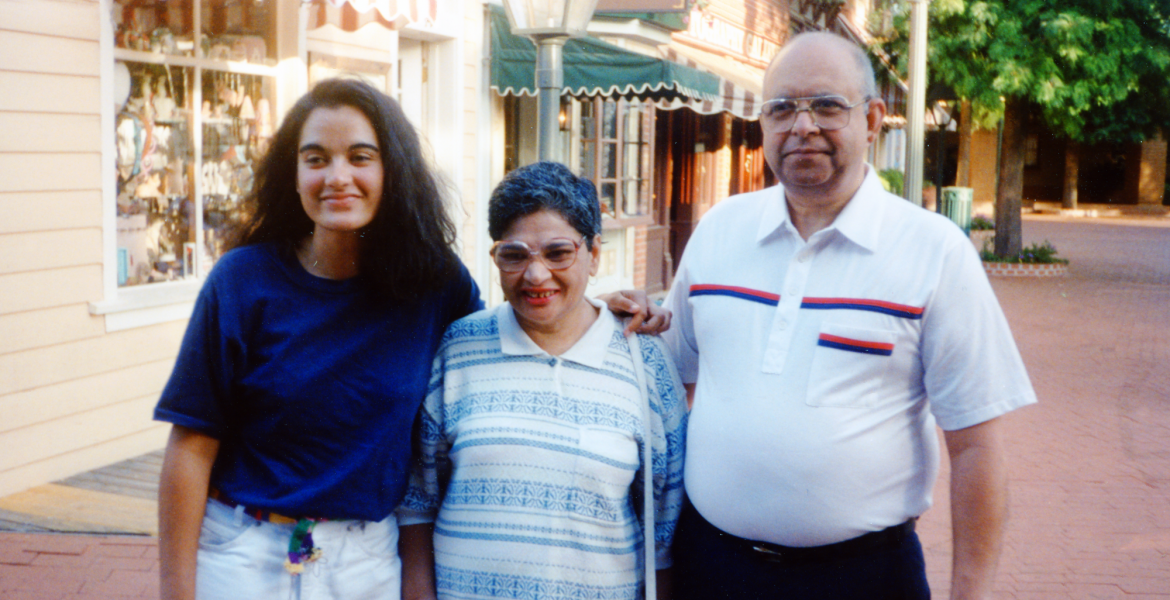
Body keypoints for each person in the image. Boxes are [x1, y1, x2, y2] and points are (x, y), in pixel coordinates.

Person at [154, 80, 667, 600]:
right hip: (245, 551)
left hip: (366, 559)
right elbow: (190, 448)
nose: (337, 177)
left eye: (360, 157)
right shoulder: (243, 281)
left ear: (390, 169)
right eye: (315, 159)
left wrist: (599, 307)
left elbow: (508, 336)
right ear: (293, 173)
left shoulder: (432, 283)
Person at [661, 32, 1037, 600]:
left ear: (873, 119)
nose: (802, 126)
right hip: (711, 568)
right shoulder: (718, 232)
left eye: (827, 106)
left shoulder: (933, 252)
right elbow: (669, 386)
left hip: (863, 578)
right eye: (781, 108)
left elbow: (978, 448)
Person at [397, 161, 688, 600]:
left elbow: (663, 528)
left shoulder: (643, 361)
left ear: (594, 254)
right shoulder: (459, 347)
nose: (536, 275)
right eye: (514, 255)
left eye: (558, 253)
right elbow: (417, 502)